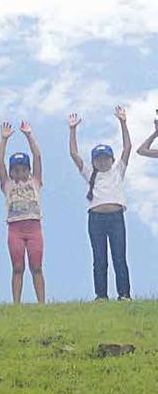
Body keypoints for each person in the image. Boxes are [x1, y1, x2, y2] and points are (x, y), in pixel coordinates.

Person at [68, 107, 132, 301]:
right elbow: (74, 154)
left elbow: (127, 148)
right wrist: (73, 130)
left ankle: (124, 294)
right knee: (99, 259)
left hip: (115, 217)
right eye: (98, 159)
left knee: (119, 257)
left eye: (106, 158)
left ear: (112, 160)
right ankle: (101, 296)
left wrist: (123, 122)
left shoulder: (117, 171)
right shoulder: (90, 174)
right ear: (94, 162)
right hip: (96, 218)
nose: (102, 162)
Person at [0, 120, 45, 304]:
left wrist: (29, 135)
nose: (19, 173)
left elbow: (38, 156)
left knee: (37, 267)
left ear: (29, 170)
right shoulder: (7, 184)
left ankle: (42, 302)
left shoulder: (35, 182)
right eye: (15, 170)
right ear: (11, 172)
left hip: (34, 227)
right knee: (17, 267)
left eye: (23, 169)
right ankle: (16, 303)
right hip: (15, 228)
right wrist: (4, 139)